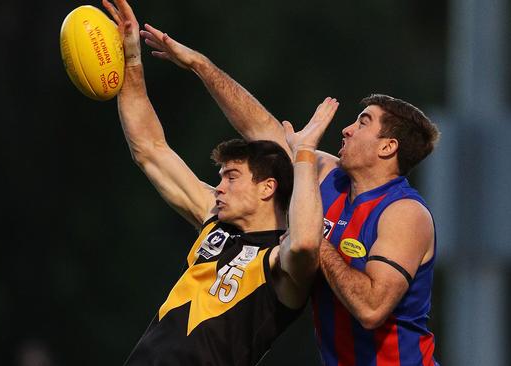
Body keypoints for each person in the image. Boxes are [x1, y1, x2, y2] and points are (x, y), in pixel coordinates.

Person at [139, 20, 441, 366]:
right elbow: (259, 127)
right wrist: (200, 65)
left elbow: (371, 308)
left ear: (388, 147)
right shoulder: (327, 176)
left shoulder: (404, 213)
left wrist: (309, 234)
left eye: (362, 122)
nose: (346, 129)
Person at [100, 1, 338, 365]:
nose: (220, 187)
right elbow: (150, 149)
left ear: (267, 188)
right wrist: (131, 60)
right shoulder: (215, 222)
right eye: (220, 178)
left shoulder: (282, 261)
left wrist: (304, 152)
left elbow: (307, 245)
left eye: (232, 177)